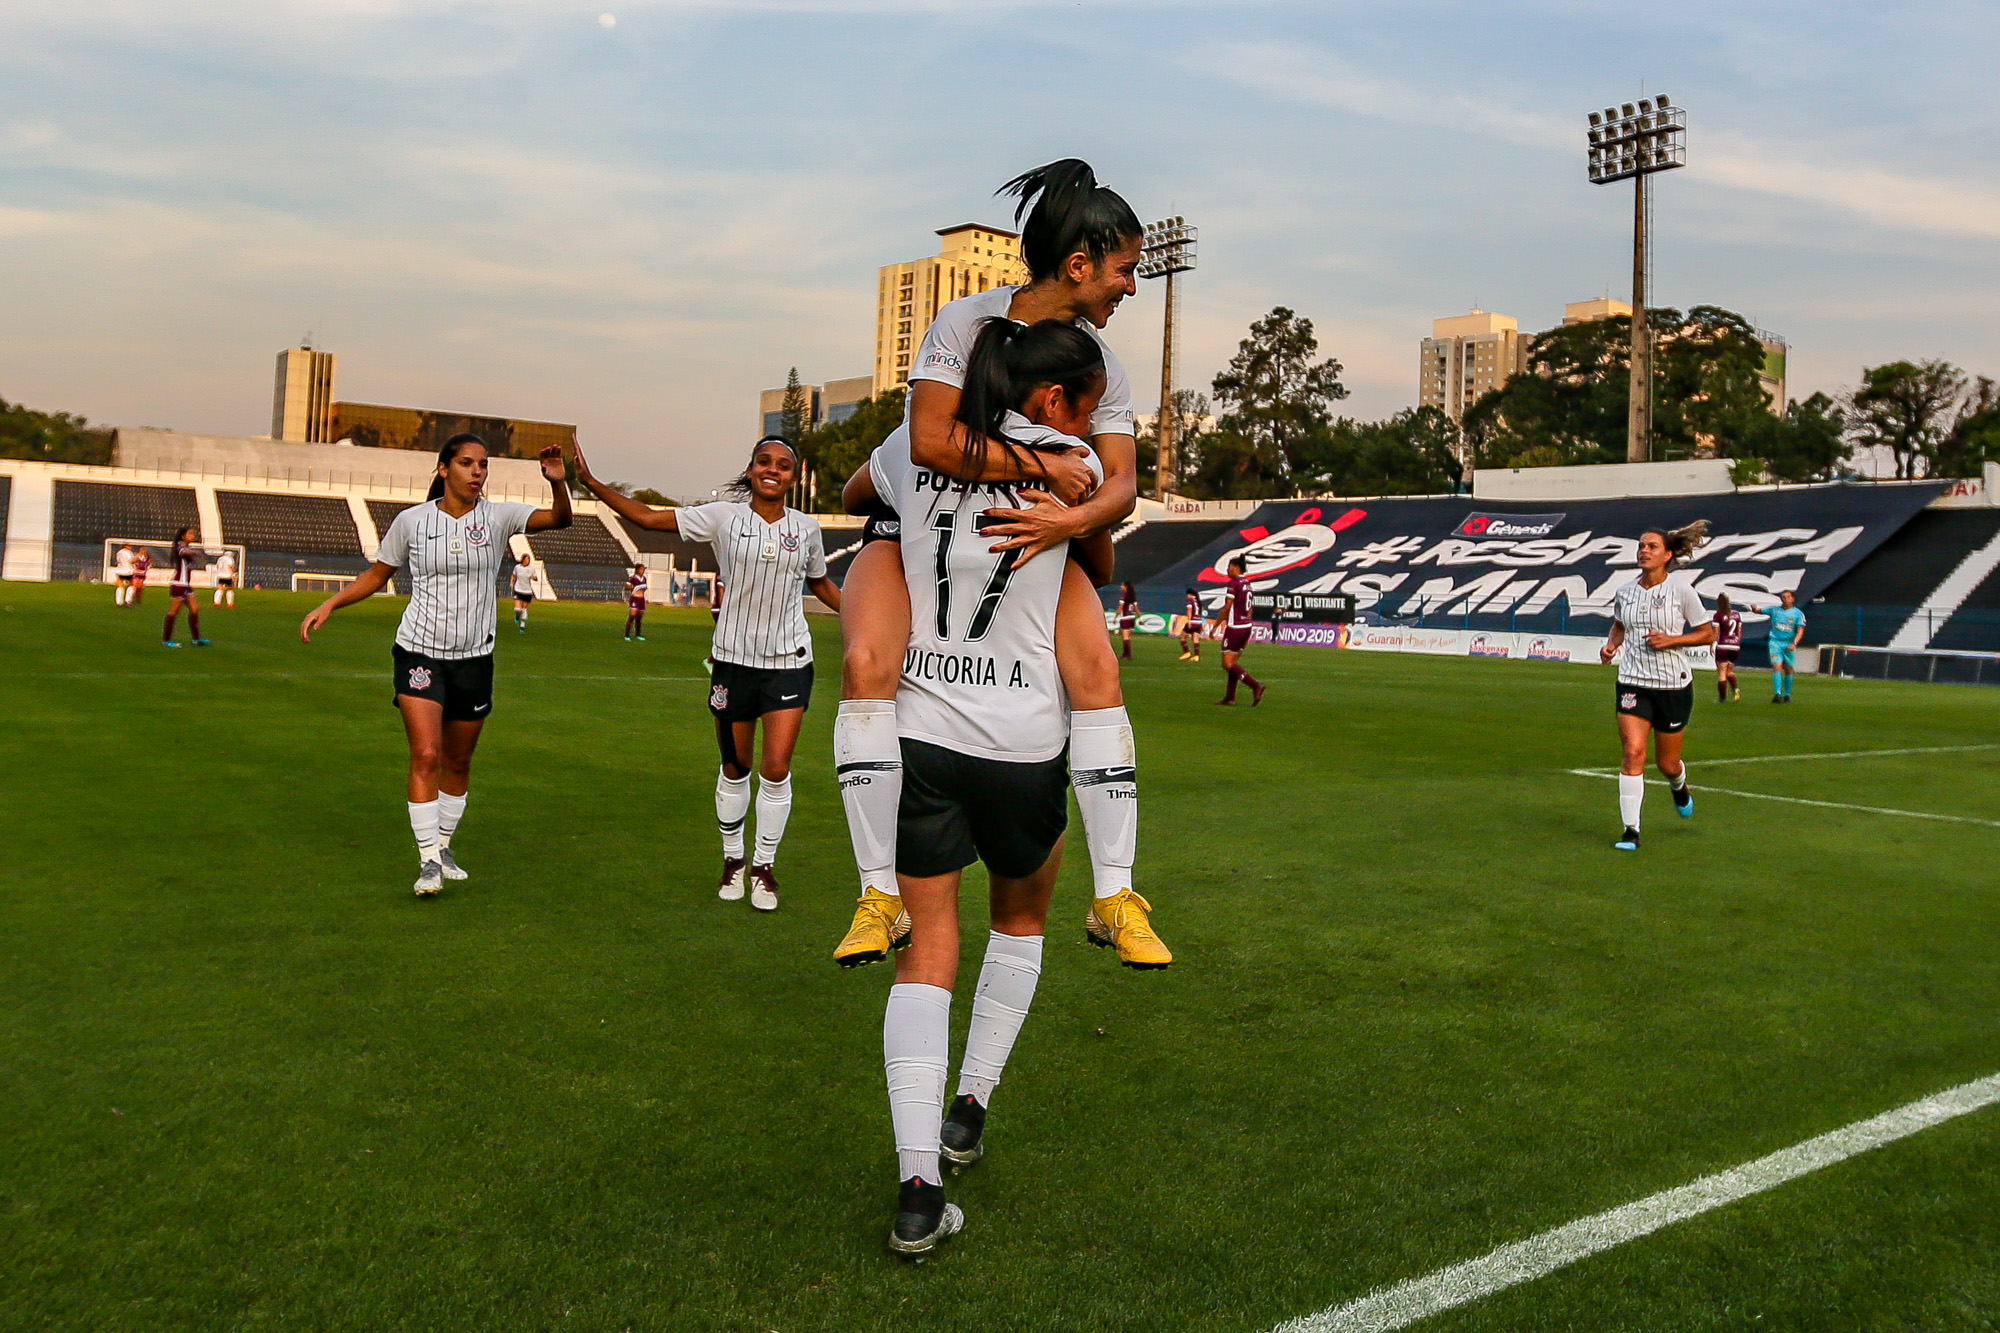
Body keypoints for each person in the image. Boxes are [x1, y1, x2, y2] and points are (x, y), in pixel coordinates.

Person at [831, 159, 1169, 973]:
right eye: (1124, 269)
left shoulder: (1105, 366)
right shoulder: (962, 322)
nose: (1130, 287)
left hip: (1034, 529)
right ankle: (877, 892)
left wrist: (1069, 514)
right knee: (867, 661)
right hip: (917, 519)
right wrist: (1041, 468)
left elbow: (1118, 486)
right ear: (1080, 263)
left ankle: (1115, 893)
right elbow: (929, 442)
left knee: (1096, 669)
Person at [841, 316, 1110, 1256]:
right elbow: (1102, 556)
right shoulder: (1068, 454)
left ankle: (917, 1188)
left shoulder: (916, 444)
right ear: (1051, 394)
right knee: (1024, 918)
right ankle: (970, 1107)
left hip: (924, 729)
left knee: (927, 950)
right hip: (1027, 737)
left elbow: (855, 492)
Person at [299, 433, 572, 896]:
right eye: (466, 463)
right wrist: (331, 604)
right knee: (426, 754)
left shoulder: (500, 516)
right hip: (419, 651)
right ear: (444, 469)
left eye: (483, 465)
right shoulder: (411, 522)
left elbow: (560, 519)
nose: (477, 472)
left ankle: (443, 846)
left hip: (475, 658)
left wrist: (558, 483)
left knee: (459, 760)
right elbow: (377, 574)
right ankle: (427, 861)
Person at [576, 436, 841, 912]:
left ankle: (763, 868)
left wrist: (866, 623)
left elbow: (820, 582)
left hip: (789, 663)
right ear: (751, 468)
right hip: (734, 662)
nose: (773, 470)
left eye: (783, 466)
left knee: (776, 769)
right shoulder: (724, 517)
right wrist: (591, 482)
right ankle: (733, 860)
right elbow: (647, 517)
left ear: (793, 477)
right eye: (764, 462)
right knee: (735, 767)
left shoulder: (806, 529)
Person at [1599, 523, 1718, 851]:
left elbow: (1708, 633)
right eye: (1641, 545)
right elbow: (1619, 625)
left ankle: (1679, 785)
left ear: (1667, 555)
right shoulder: (1625, 591)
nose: (1644, 550)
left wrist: (1673, 640)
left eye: (1652, 546)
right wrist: (1611, 646)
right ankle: (1630, 831)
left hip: (1673, 685)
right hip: (1633, 682)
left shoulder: (1681, 591)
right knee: (1633, 753)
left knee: (1667, 763)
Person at [1215, 557, 1264, 705]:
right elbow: (1250, 607)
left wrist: (1216, 625)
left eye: (1229, 567)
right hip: (1246, 627)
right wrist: (1248, 623)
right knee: (1234, 663)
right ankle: (1230, 698)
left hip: (1235, 627)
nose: (1227, 570)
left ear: (1237, 568)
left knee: (1227, 664)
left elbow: (1227, 607)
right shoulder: (1248, 584)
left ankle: (1256, 685)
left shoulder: (1234, 583)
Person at [161, 528, 210, 648]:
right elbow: (183, 552)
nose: (193, 535)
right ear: (183, 536)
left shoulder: (185, 547)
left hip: (187, 585)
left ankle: (196, 639)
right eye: (190, 533)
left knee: (195, 609)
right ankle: (166, 640)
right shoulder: (180, 547)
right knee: (173, 612)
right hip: (179, 584)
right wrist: (194, 553)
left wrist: (193, 552)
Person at [1765, 588, 1807, 703]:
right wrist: (1754, 609)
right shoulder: (1775, 611)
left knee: (1789, 669)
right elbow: (1760, 611)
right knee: (1777, 667)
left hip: (1789, 644)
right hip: (1775, 642)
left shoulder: (1798, 613)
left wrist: (1794, 643)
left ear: (1792, 599)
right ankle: (1777, 694)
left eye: (1788, 597)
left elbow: (1800, 630)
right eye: (1783, 597)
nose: (1786, 599)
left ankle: (1787, 694)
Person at [1712, 593, 1742, 703]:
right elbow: (1739, 632)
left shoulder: (1718, 615)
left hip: (1723, 645)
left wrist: (1712, 644)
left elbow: (1716, 633)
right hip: (1734, 645)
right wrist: (1737, 643)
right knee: (1730, 670)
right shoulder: (1737, 614)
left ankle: (1723, 698)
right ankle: (1736, 689)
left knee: (1722, 672)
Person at [510, 552, 538, 632]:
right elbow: (513, 575)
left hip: (527, 591)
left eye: (528, 559)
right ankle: (517, 616)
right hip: (518, 590)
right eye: (526, 559)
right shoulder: (517, 567)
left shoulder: (531, 569)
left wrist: (533, 577)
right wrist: (512, 582)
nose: (527, 561)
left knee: (524, 609)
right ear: (522, 560)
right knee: (517, 609)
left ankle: (522, 626)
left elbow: (536, 578)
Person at [623, 561, 650, 641]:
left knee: (639, 618)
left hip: (641, 599)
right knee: (632, 617)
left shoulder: (644, 579)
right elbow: (627, 587)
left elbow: (644, 588)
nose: (643, 571)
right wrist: (634, 589)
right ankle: (627, 635)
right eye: (642, 569)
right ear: (638, 570)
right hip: (635, 599)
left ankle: (638, 634)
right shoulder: (633, 578)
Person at [1178, 587, 1203, 661]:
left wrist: (1189, 620)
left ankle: (1187, 653)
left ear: (1189, 594)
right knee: (1196, 639)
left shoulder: (1190, 600)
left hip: (1192, 621)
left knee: (1182, 637)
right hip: (1198, 622)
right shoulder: (1198, 601)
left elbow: (1189, 610)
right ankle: (1196, 656)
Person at [1115, 581, 1138, 659]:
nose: (1121, 587)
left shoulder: (1124, 595)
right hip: (1132, 617)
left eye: (1122, 585)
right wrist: (1140, 617)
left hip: (1125, 618)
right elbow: (1136, 608)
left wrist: (1116, 617)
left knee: (1125, 637)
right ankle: (1126, 654)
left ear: (1126, 587)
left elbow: (1121, 607)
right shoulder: (1132, 596)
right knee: (1128, 637)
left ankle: (1127, 655)